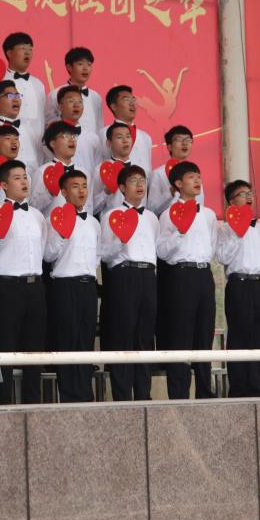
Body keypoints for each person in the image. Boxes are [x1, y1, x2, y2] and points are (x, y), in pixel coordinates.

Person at [0, 160, 48, 404]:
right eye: (17, 178)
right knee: (6, 345)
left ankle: (33, 402)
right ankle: (4, 402)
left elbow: (42, 250)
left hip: (35, 285)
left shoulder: (38, 216)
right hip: (7, 286)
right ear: (5, 185)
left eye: (25, 177)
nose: (24, 181)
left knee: (34, 348)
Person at [156, 161, 217, 399]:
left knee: (205, 334)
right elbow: (162, 251)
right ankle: (179, 394)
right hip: (181, 275)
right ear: (179, 183)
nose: (197, 180)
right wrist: (179, 233)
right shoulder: (168, 214)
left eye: (199, 176)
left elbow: (211, 246)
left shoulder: (209, 214)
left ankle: (205, 391)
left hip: (204, 274)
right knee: (180, 334)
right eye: (191, 177)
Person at [99, 165, 158, 401]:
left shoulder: (152, 218)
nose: (140, 185)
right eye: (134, 181)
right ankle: (122, 396)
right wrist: (121, 241)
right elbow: (104, 254)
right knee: (123, 335)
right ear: (122, 188)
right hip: (124, 275)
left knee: (145, 336)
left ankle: (144, 395)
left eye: (142, 180)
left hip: (148, 276)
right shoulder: (110, 216)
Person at [44, 169, 101, 402]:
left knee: (86, 339)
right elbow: (48, 255)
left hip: (88, 286)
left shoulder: (94, 222)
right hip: (65, 285)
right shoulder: (54, 219)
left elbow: (97, 256)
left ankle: (85, 395)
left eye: (84, 186)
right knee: (67, 340)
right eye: (75, 186)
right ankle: (68, 396)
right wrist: (61, 235)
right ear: (64, 192)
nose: (81, 191)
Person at [216, 179, 260, 397]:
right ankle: (238, 389)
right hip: (238, 284)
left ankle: (256, 388)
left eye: (250, 193)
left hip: (257, 284)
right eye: (242, 194)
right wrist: (237, 233)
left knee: (257, 335)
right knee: (239, 335)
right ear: (231, 202)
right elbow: (222, 257)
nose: (248, 197)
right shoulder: (225, 228)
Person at [0, 32, 46, 141]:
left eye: (30, 49)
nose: (27, 52)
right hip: (6, 144)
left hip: (35, 147)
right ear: (9, 53)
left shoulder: (38, 84)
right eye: (23, 48)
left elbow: (43, 119)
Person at [30, 120, 102, 214]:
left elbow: (88, 206)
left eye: (73, 136)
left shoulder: (84, 172)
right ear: (53, 143)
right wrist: (50, 192)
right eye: (66, 136)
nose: (72, 140)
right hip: (51, 222)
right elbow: (33, 207)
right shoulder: (42, 172)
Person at [45, 47, 102, 133]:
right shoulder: (55, 94)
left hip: (91, 141)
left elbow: (99, 126)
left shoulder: (96, 97)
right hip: (66, 139)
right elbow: (49, 125)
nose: (85, 68)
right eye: (80, 64)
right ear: (69, 67)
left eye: (89, 64)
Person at [149, 126, 202, 215]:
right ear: (169, 147)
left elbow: (200, 202)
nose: (185, 143)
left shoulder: (195, 173)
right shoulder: (158, 174)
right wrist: (170, 193)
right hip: (168, 220)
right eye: (179, 139)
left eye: (188, 140)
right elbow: (151, 208)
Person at [100, 85, 152, 172]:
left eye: (133, 99)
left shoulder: (146, 137)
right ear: (114, 106)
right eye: (126, 99)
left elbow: (148, 168)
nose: (132, 104)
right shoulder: (102, 134)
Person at [55, 85, 101, 174]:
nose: (76, 105)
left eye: (80, 101)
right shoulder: (53, 135)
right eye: (71, 101)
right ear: (60, 106)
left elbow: (97, 168)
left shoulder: (92, 137)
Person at [98, 122, 141, 212]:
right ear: (109, 143)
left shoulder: (139, 169)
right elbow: (91, 207)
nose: (125, 140)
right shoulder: (99, 170)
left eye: (128, 136)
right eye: (120, 137)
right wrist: (106, 192)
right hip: (110, 218)